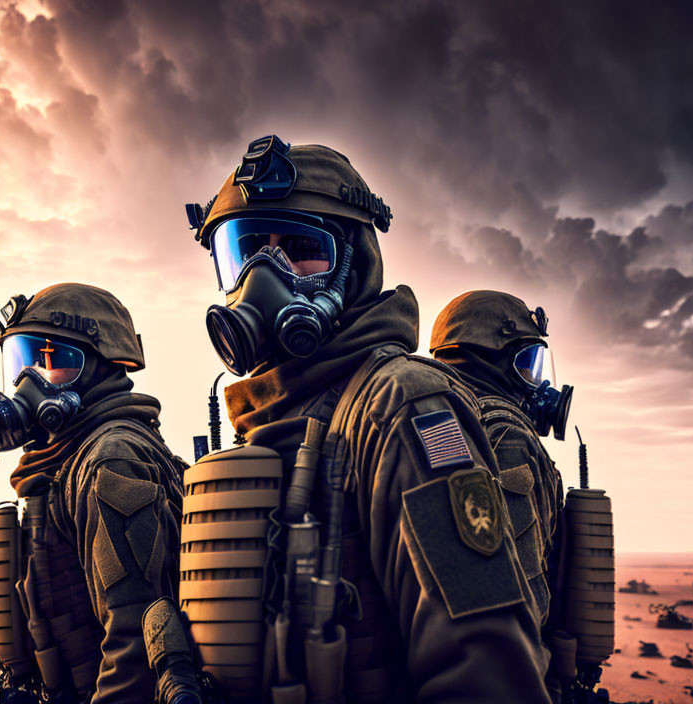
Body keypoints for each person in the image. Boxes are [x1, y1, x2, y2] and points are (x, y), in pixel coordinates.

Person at [182, 135, 551, 703]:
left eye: (303, 248)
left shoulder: (404, 406)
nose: (263, 275)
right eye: (246, 250)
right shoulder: (272, 419)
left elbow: (484, 672)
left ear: (357, 264)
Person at [0, 283, 199, 704]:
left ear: (98, 369)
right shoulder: (70, 462)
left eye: (51, 360)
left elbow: (135, 646)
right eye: (22, 361)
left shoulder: (111, 459)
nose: (27, 380)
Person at [429, 290, 572, 700]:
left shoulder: (436, 422)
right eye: (528, 364)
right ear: (490, 360)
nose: (539, 382)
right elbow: (522, 590)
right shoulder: (507, 435)